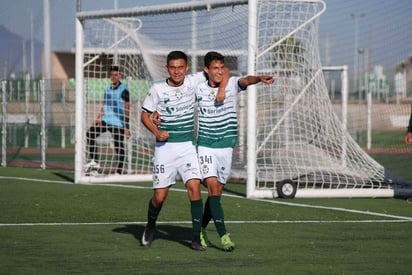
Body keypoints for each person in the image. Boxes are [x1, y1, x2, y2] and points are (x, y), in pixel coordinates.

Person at [140, 50, 227, 251]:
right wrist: (156, 130)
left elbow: (221, 71)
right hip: (165, 149)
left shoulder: (194, 81)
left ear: (187, 68)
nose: (177, 71)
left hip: (188, 146)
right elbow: (145, 115)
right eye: (173, 68)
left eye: (181, 67)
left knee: (194, 188)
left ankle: (195, 238)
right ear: (167, 69)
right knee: (159, 197)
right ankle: (151, 224)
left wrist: (222, 90)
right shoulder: (158, 89)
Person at [197, 51, 275, 251]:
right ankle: (224, 236)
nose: (219, 71)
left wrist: (258, 78)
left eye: (221, 68)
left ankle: (201, 230)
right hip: (206, 146)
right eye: (214, 68)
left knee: (216, 194)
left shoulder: (231, 84)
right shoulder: (198, 89)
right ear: (206, 70)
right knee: (213, 188)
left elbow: (245, 80)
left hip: (226, 147)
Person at [85, 65, 131, 175]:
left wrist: (126, 127)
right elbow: (105, 105)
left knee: (118, 146)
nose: (114, 77)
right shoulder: (107, 90)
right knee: (90, 133)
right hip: (106, 120)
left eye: (116, 75)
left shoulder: (124, 90)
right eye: (112, 75)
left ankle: (119, 171)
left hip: (118, 123)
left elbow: (127, 108)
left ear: (120, 76)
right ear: (109, 76)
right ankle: (95, 163)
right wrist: (98, 118)